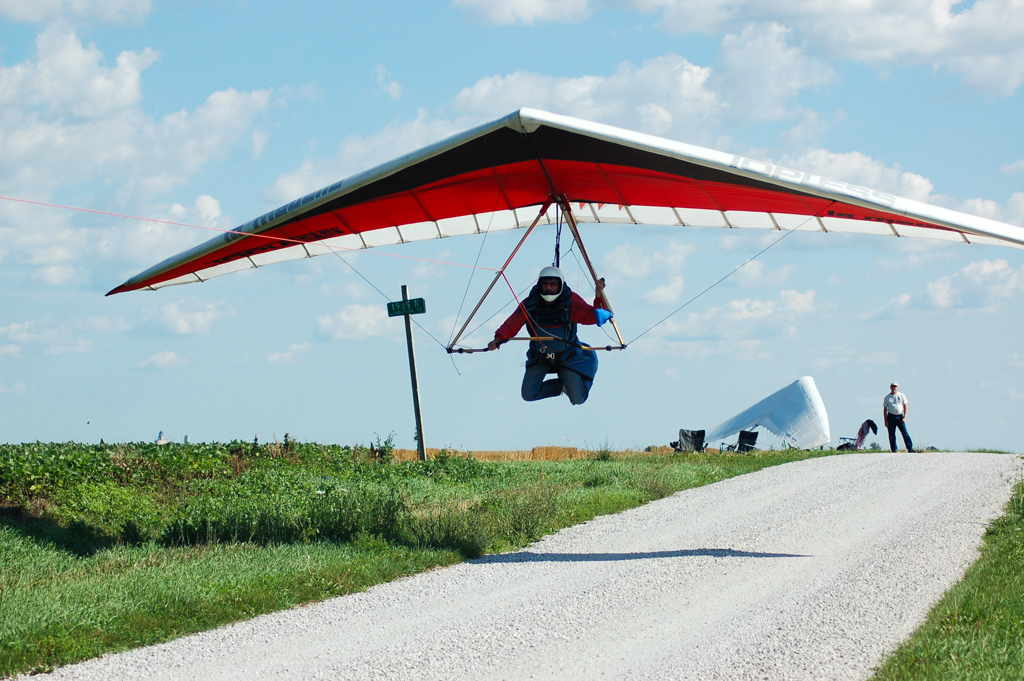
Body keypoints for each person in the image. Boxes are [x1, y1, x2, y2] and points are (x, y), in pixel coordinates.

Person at [487, 266, 612, 405]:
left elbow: (594, 316)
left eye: (553, 284)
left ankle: (585, 366)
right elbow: (512, 324)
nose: (548, 288)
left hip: (567, 356)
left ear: (560, 285)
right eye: (545, 284)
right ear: (539, 285)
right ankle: (562, 386)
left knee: (578, 399)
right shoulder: (531, 304)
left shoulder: (570, 302)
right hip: (541, 356)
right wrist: (498, 339)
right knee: (528, 394)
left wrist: (599, 297)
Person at [882, 381, 914, 452]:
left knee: (904, 432)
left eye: (895, 386)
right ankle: (894, 449)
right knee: (891, 434)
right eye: (892, 386)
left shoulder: (901, 395)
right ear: (890, 387)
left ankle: (910, 448)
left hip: (900, 416)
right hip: (891, 417)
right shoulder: (887, 398)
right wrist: (885, 421)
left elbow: (905, 406)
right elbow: (885, 410)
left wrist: (905, 416)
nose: (894, 388)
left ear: (897, 387)